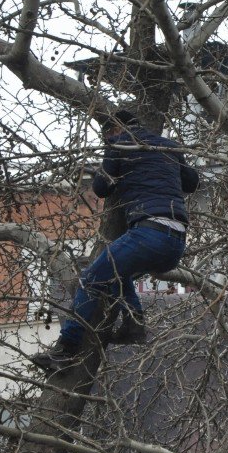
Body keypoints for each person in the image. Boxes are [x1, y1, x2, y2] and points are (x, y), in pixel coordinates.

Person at [32, 111, 199, 373]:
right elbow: (192, 182)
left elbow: (101, 188)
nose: (106, 138)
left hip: (148, 232)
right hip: (176, 241)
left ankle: (65, 351)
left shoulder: (119, 144)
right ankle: (134, 325)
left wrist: (112, 157)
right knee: (116, 275)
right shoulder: (167, 145)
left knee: (92, 279)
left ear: (114, 129)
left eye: (106, 134)